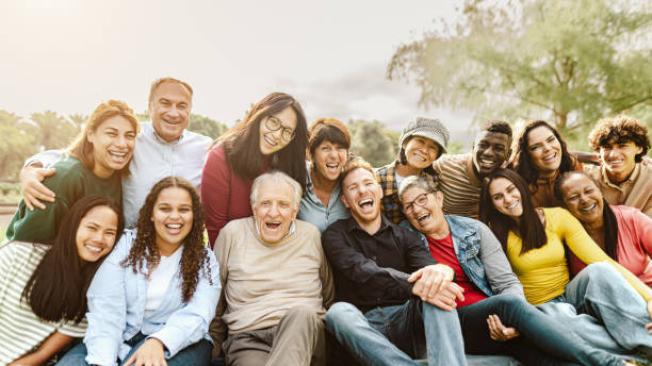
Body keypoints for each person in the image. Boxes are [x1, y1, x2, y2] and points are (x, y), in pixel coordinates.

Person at [399, 175, 628, 365]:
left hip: (493, 320)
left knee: (544, 356)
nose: (417, 209)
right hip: (450, 321)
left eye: (422, 199)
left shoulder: (473, 230)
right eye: (409, 206)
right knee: (508, 305)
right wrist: (511, 313)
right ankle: (610, 362)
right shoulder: (405, 240)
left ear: (439, 198)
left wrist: (510, 324)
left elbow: (507, 282)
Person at [480, 168, 652, 354]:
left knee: (599, 270)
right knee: (564, 319)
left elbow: (602, 260)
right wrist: (518, 321)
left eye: (511, 189)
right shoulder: (492, 235)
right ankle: (629, 357)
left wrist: (650, 298)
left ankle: (648, 342)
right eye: (498, 197)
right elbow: (498, 284)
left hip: (570, 294)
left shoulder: (557, 217)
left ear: (521, 187)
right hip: (538, 309)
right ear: (492, 205)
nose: (508, 199)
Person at [57, 177, 220, 366]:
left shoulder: (205, 260)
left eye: (183, 209)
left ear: (194, 216)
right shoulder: (126, 246)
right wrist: (103, 362)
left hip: (179, 342)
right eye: (165, 208)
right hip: (117, 336)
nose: (175, 216)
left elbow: (199, 314)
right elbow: (106, 306)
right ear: (151, 213)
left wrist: (159, 341)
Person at [323, 157, 467, 366]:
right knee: (338, 313)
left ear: (380, 191)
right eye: (353, 188)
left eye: (368, 183)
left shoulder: (406, 236)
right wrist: (413, 284)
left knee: (436, 292)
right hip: (363, 326)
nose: (362, 191)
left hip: (405, 320)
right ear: (345, 201)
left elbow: (429, 269)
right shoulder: (335, 234)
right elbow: (361, 270)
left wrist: (441, 272)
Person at [18, 77, 212, 227]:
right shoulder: (130, 137)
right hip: (126, 246)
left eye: (181, 106)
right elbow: (73, 153)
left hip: (179, 248)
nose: (173, 112)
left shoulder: (205, 148)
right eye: (165, 103)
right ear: (150, 106)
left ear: (190, 110)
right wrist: (31, 169)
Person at [212, 171, 334, 366]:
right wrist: (214, 345)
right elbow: (214, 296)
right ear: (254, 208)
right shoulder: (232, 234)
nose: (273, 212)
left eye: (283, 205)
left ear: (294, 212)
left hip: (304, 334)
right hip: (249, 338)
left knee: (301, 313)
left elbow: (328, 293)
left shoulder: (310, 235)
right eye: (266, 203)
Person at [0, 196, 123, 365]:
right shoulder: (18, 255)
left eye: (109, 233)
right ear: (73, 227)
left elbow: (42, 355)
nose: (99, 239)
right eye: (92, 228)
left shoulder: (94, 291)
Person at [6, 100, 138, 244]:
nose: (122, 144)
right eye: (111, 134)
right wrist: (29, 169)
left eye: (129, 136)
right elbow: (27, 246)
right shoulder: (64, 178)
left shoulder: (123, 175)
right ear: (90, 135)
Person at [201, 92, 309, 246]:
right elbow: (216, 232)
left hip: (280, 254)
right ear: (258, 115)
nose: (278, 135)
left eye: (287, 131)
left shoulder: (287, 165)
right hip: (234, 257)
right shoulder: (220, 158)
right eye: (273, 122)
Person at [555, 170, 652, 286]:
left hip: (647, 292)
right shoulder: (562, 236)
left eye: (589, 191)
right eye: (573, 197)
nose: (584, 200)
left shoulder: (631, 218)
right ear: (564, 206)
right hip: (599, 301)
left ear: (600, 192)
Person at [376, 117, 448, 224]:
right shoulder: (378, 178)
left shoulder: (434, 181)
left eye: (433, 147)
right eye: (420, 141)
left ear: (436, 156)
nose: (424, 150)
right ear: (405, 143)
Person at [433, 120, 512, 219]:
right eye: (483, 145)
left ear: (508, 155)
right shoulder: (445, 166)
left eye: (498, 148)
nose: (488, 153)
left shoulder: (509, 179)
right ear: (474, 146)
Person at [585, 115, 652, 217]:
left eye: (622, 146)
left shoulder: (649, 179)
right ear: (599, 150)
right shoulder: (586, 178)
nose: (613, 155)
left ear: (639, 148)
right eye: (607, 147)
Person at [510, 120, 581, 208]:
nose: (547, 148)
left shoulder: (574, 168)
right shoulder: (517, 186)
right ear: (526, 155)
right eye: (536, 147)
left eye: (551, 140)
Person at [298, 118, 351, 232]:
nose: (334, 155)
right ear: (311, 154)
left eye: (340, 148)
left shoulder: (351, 180)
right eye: (325, 148)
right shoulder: (297, 177)